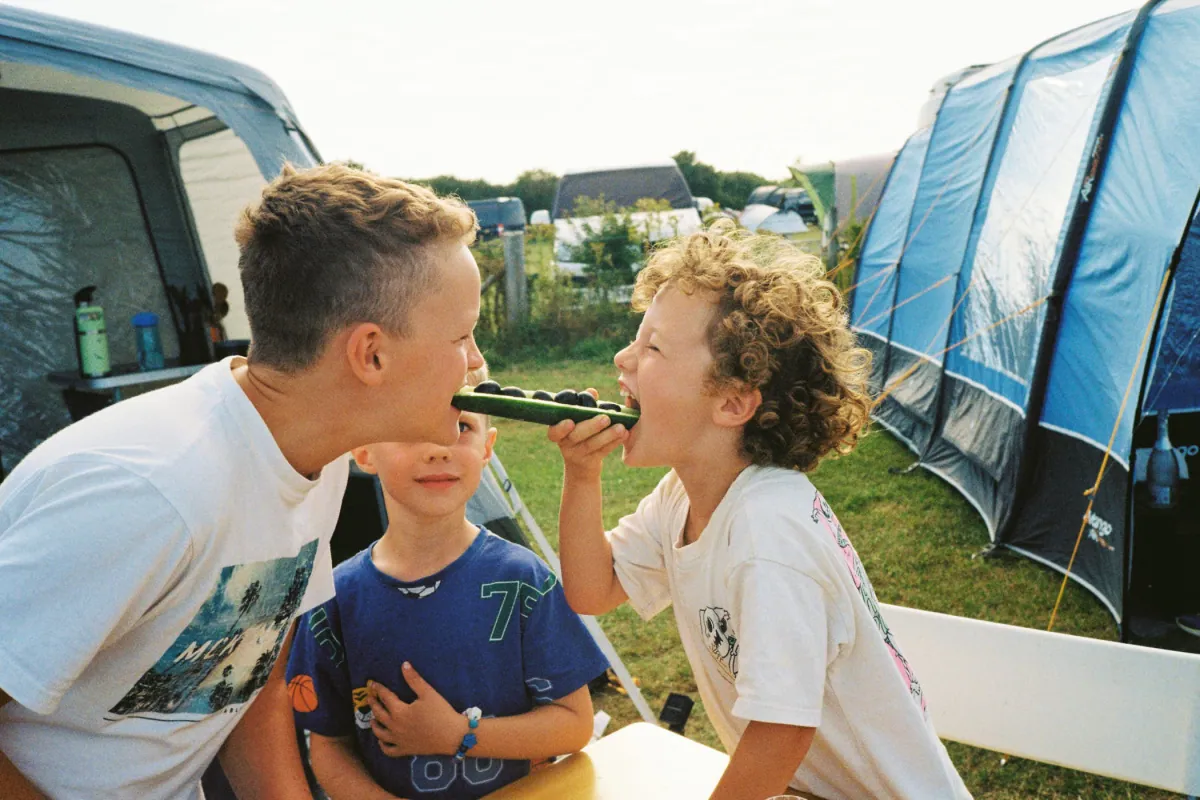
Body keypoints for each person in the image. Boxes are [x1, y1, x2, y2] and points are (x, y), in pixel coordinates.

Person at [0, 163, 485, 800]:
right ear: (371, 354)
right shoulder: (149, 492)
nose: (477, 362)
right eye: (462, 336)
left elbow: (245, 686)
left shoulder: (316, 460)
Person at [548, 221, 972, 800]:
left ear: (731, 403)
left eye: (653, 348)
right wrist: (582, 474)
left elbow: (781, 732)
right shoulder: (682, 496)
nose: (623, 357)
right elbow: (592, 591)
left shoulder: (769, 532)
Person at [287, 366, 607, 799]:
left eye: (462, 427)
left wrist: (458, 733)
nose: (439, 448)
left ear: (487, 447)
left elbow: (574, 724)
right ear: (363, 451)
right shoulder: (335, 599)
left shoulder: (523, 582)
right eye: (411, 427)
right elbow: (328, 745)